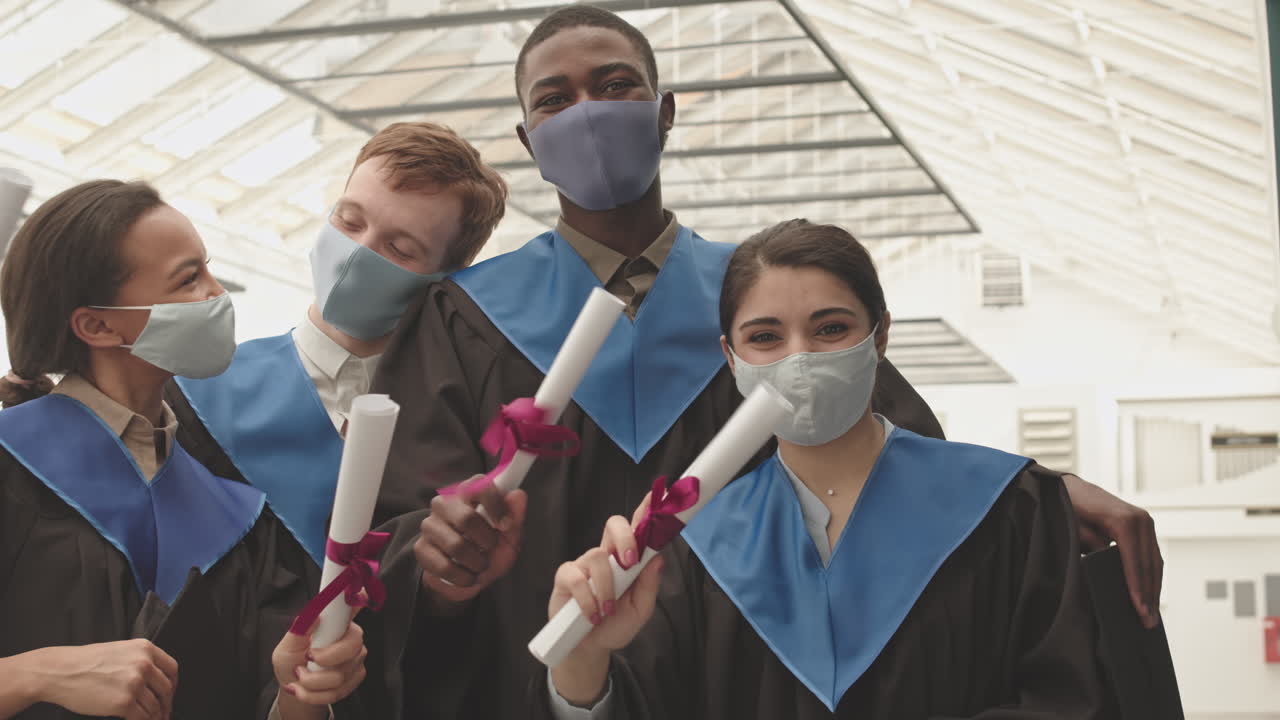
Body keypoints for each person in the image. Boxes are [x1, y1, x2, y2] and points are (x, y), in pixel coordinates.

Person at [370, 6, 1161, 717]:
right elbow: (399, 521)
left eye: (616, 87)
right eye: (555, 99)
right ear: (527, 142)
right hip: (532, 692)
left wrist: (1043, 494)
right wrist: (430, 557)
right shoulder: (461, 316)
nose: (588, 114)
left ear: (664, 112)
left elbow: (905, 467)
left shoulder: (768, 310)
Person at [540, 219, 1113, 718]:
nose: (800, 358)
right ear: (730, 358)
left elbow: (1070, 700)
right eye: (765, 337)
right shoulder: (698, 549)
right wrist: (583, 664)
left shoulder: (1010, 507)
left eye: (831, 328)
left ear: (880, 336)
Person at [0, 181, 367, 720]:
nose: (217, 295)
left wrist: (301, 692)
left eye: (209, 269)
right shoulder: (13, 465)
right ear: (97, 325)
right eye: (189, 278)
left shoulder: (238, 515)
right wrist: (35, 675)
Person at [166, 121, 507, 570]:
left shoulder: (457, 428)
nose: (357, 252)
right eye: (349, 220)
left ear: (445, 280)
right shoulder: (197, 394)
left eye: (399, 248)